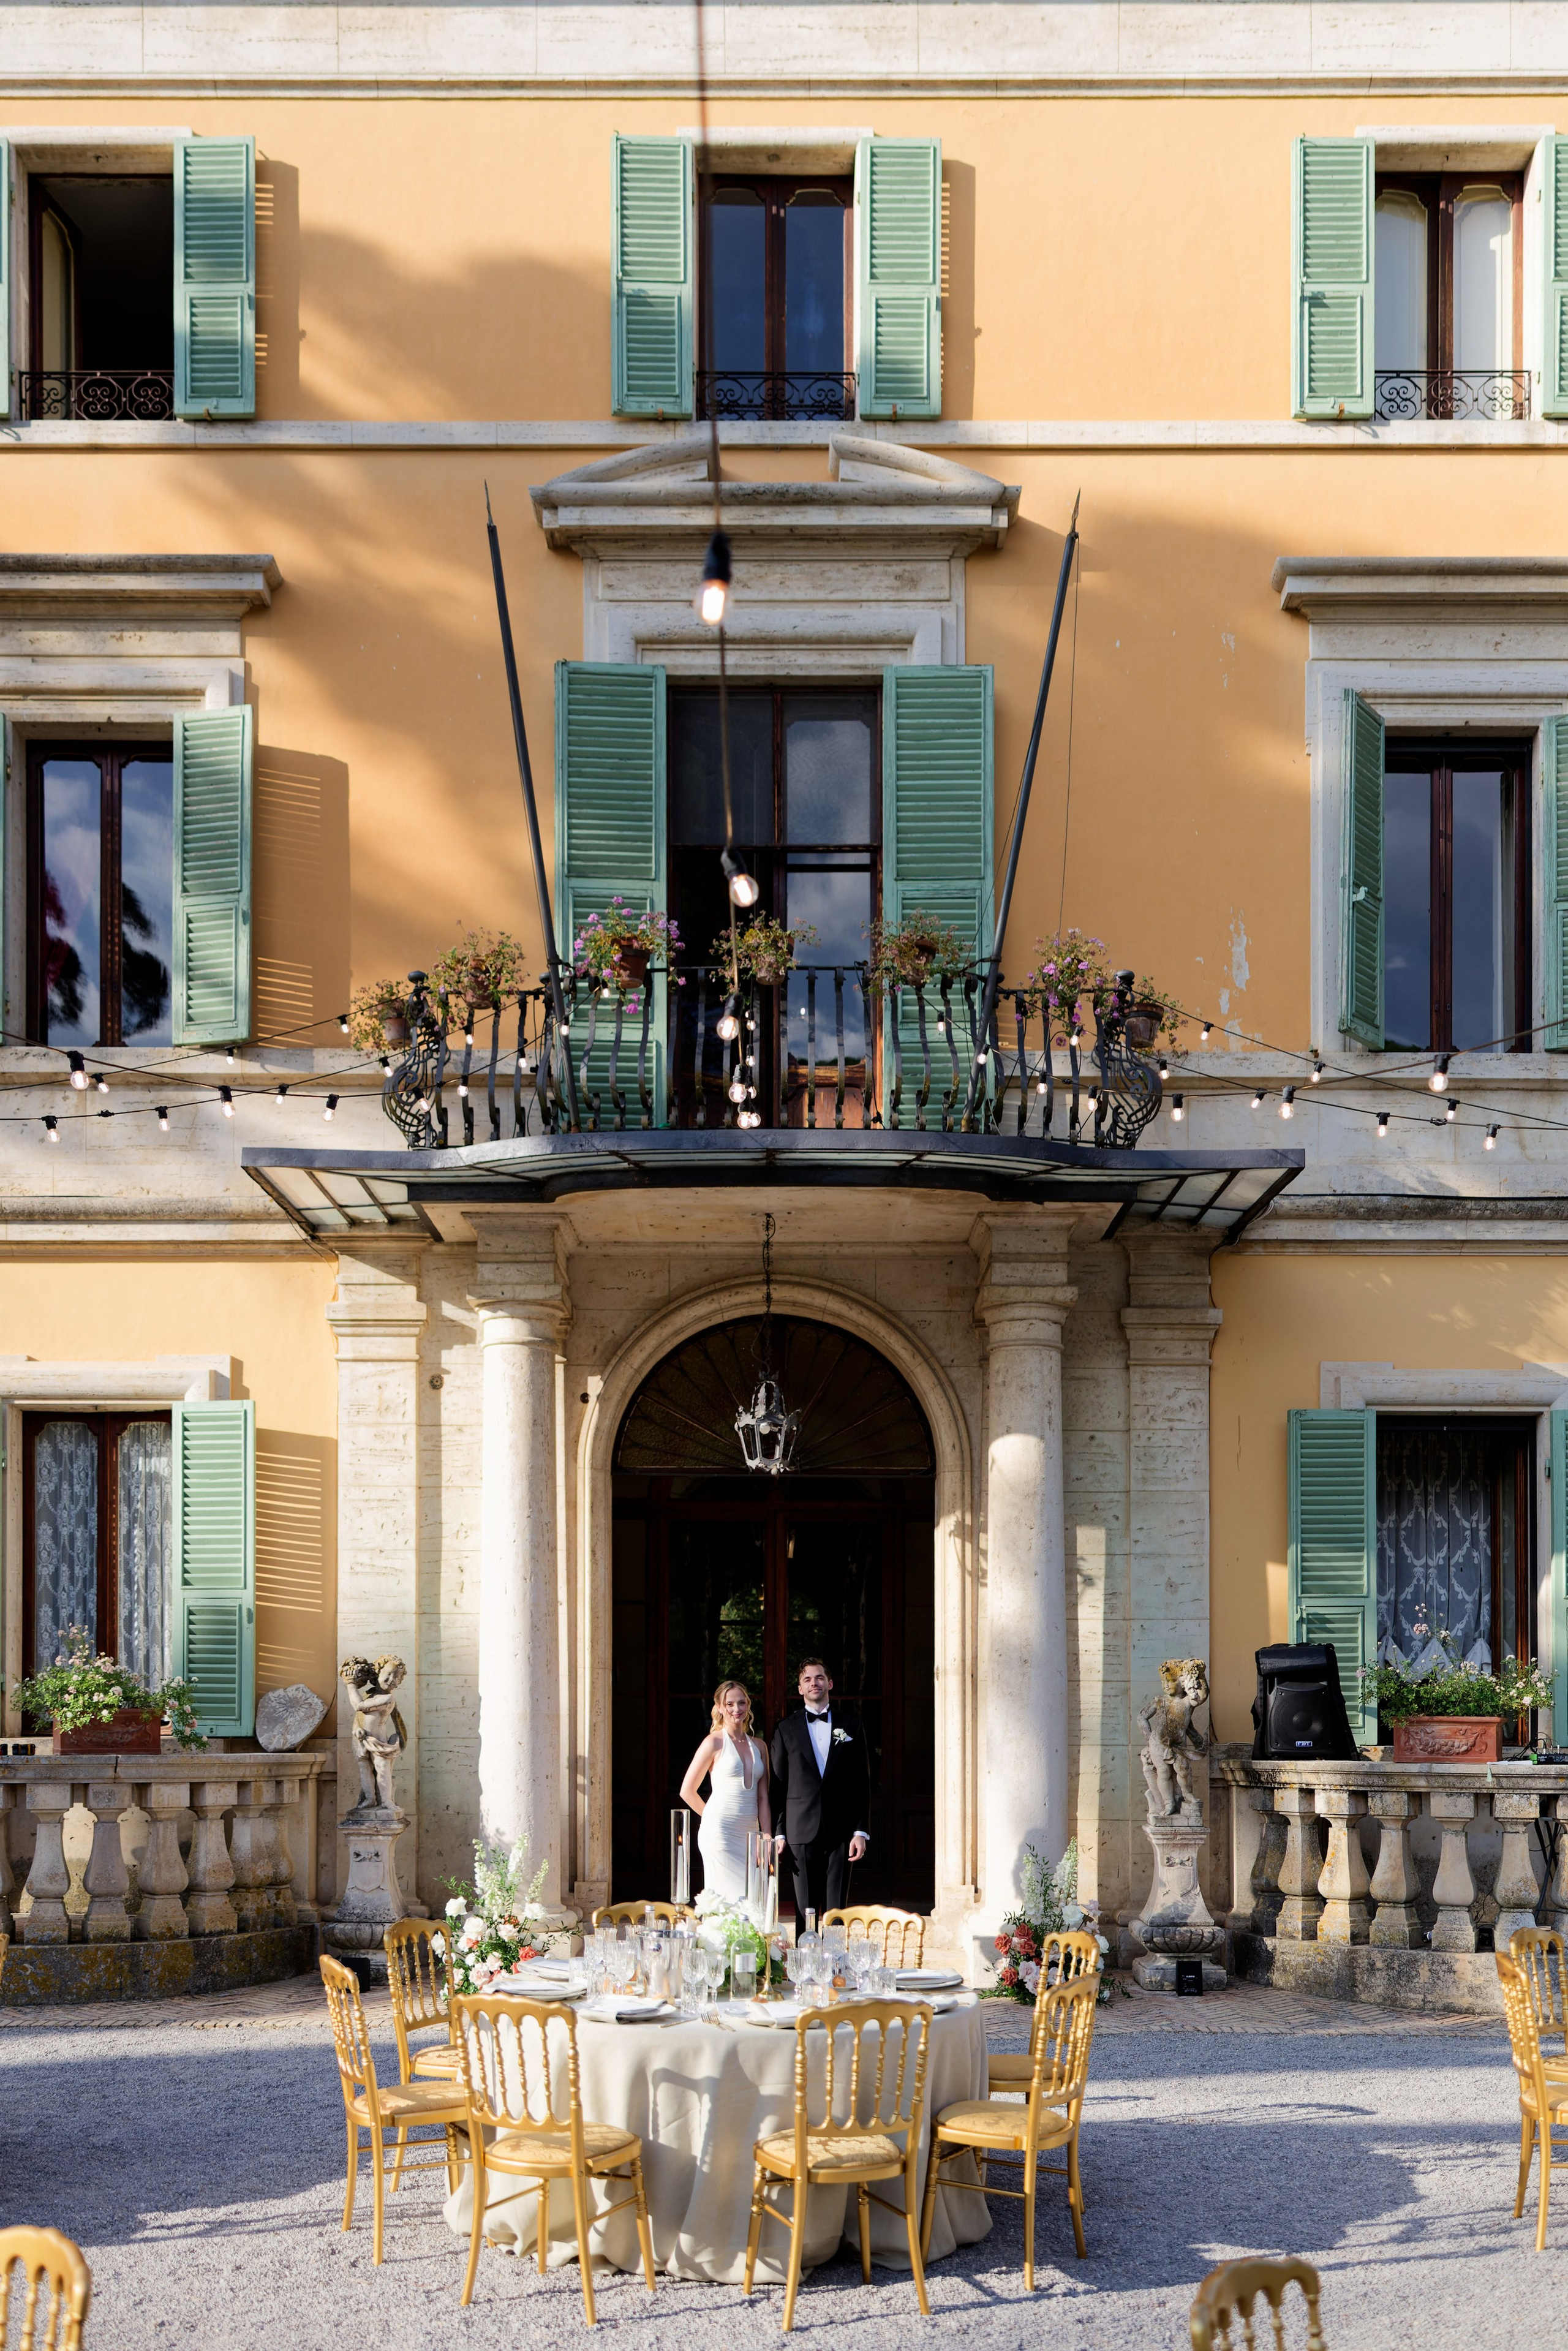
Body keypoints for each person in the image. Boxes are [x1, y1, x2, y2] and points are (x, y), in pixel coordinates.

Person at [769, 1656, 870, 1923]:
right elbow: (778, 1786)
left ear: (830, 1683)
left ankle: (837, 1965)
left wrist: (860, 1831)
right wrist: (779, 1833)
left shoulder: (852, 1727)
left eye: (819, 1678)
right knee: (805, 1911)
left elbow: (862, 1783)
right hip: (799, 1831)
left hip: (841, 1832)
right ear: (800, 1688)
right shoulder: (784, 1729)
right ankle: (805, 1965)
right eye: (807, 1679)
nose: (814, 1683)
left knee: (838, 1912)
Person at [680, 1678, 772, 1903]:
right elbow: (687, 1791)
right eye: (729, 1704)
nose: (736, 1709)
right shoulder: (714, 1742)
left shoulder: (760, 1746)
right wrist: (711, 1817)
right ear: (720, 1707)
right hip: (720, 1833)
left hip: (751, 1834)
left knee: (753, 1900)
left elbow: (763, 1797)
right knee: (727, 1899)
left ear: (748, 1705)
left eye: (741, 1703)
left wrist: (766, 1837)